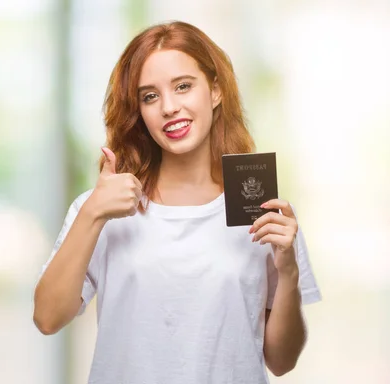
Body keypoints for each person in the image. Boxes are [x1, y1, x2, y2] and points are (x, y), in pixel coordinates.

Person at [33, 20, 321, 384]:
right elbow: (47, 317)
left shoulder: (262, 208)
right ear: (139, 110)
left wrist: (289, 272)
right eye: (149, 96)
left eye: (183, 87)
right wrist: (93, 213)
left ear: (215, 91)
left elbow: (282, 361)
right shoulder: (104, 207)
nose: (169, 107)